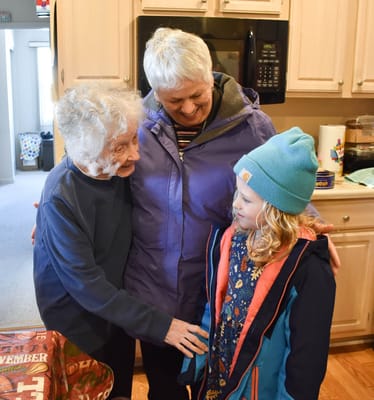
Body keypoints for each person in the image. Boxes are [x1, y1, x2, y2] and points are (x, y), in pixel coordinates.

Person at [124, 27, 339, 399]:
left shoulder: (252, 126)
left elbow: (280, 179)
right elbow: (101, 177)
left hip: (220, 292)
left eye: (197, 95)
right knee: (164, 389)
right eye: (175, 101)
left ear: (211, 76)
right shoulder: (135, 127)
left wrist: (310, 221)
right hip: (155, 293)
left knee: (217, 383)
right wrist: (57, 212)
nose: (189, 109)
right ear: (155, 93)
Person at [32, 83, 208, 400]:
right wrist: (163, 325)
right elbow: (87, 286)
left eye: (134, 140)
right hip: (76, 323)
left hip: (118, 313)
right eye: (119, 147)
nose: (135, 155)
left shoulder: (118, 172)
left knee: (119, 391)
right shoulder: (61, 196)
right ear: (83, 149)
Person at [181, 127, 336, 399]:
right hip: (222, 374)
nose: (235, 205)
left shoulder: (308, 267)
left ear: (277, 208)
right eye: (237, 194)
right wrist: (197, 360)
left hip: (259, 388)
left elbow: (306, 357)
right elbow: (215, 304)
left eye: (247, 199)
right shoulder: (235, 239)